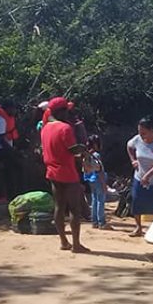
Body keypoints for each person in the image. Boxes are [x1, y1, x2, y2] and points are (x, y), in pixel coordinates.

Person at [41, 97, 90, 253]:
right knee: (74, 210)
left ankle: (63, 241)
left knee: (59, 207)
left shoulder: (45, 128)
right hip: (67, 172)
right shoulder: (65, 128)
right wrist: (83, 148)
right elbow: (72, 150)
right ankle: (76, 245)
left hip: (52, 171)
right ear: (61, 111)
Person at [127, 117, 153, 237]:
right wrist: (133, 160)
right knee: (136, 201)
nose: (141, 135)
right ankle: (138, 227)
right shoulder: (137, 139)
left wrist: (148, 175)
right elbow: (129, 146)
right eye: (140, 132)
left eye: (144, 132)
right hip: (139, 177)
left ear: (152, 130)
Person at [0, 100, 21, 200]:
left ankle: (10, 196)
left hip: (5, 150)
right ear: (7, 109)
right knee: (10, 173)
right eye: (13, 108)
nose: (15, 111)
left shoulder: (5, 119)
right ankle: (10, 197)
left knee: (10, 173)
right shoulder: (0, 120)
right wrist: (12, 151)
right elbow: (1, 139)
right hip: (1, 151)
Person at [84, 134, 112, 230]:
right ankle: (102, 222)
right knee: (100, 200)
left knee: (94, 200)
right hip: (98, 179)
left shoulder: (87, 155)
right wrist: (104, 184)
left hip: (90, 180)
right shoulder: (96, 155)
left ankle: (94, 222)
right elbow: (99, 170)